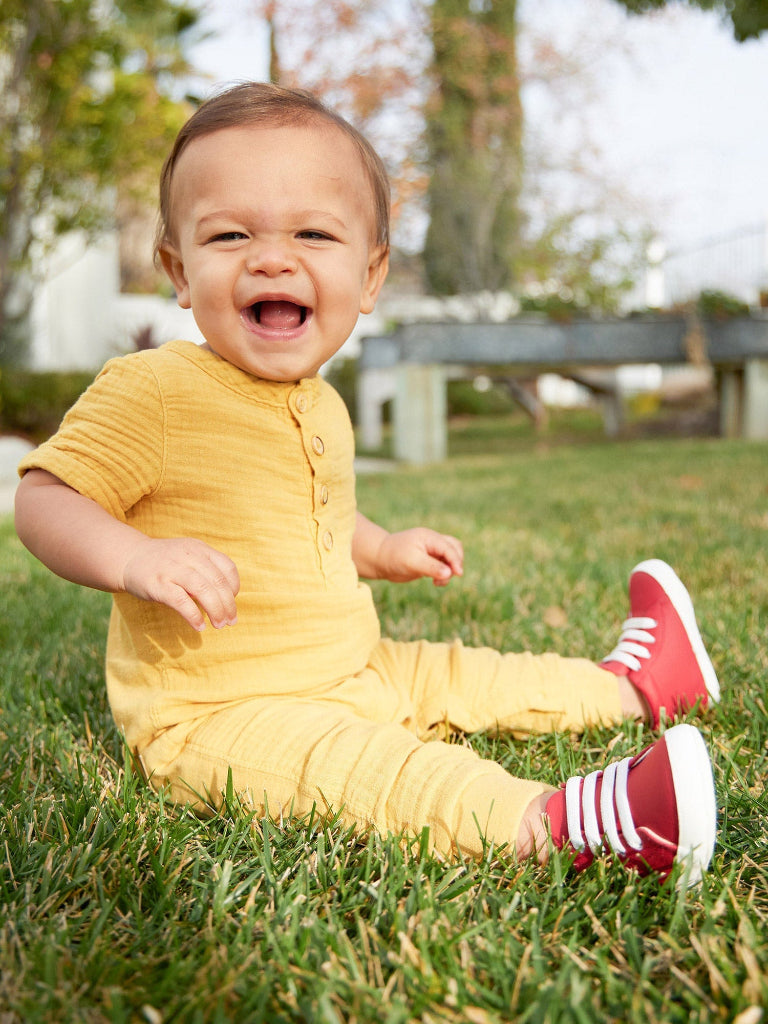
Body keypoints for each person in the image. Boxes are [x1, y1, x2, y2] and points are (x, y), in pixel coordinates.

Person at [14, 82, 720, 885]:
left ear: (371, 275)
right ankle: (575, 823)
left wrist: (379, 547)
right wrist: (133, 558)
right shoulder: (154, 390)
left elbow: (312, 514)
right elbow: (44, 497)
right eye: (230, 234)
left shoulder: (321, 403)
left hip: (355, 667)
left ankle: (638, 687)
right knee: (371, 769)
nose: (272, 257)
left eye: (314, 232)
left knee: (465, 672)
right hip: (220, 714)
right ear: (179, 269)